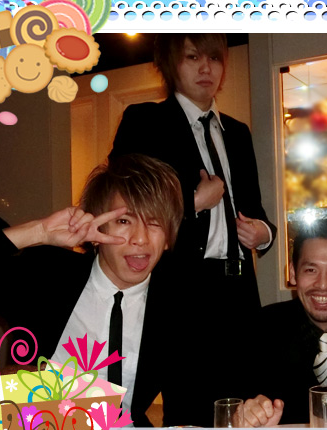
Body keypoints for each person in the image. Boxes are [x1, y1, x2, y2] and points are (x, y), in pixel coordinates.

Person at [0, 154, 184, 426]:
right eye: (124, 221)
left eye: (155, 222)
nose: (140, 239)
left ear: (168, 237)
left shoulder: (178, 307)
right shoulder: (47, 275)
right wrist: (39, 231)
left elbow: (188, 413)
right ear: (97, 228)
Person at [110, 34, 275, 321]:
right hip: (178, 289)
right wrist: (193, 201)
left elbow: (254, 208)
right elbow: (122, 199)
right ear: (170, 63)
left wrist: (263, 233)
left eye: (214, 58)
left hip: (240, 289)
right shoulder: (145, 121)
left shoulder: (238, 133)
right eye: (193, 57)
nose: (206, 68)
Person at [242, 218, 327, 427]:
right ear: (292, 273)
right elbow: (231, 408)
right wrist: (246, 415)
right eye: (311, 270)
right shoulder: (258, 328)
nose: (323, 284)